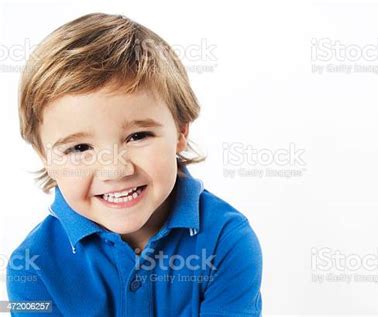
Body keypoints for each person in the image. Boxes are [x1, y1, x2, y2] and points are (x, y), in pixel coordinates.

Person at [7, 12, 262, 316]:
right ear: (44, 157)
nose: (115, 169)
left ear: (181, 131)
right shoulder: (32, 267)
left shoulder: (226, 241)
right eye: (80, 147)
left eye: (138, 136)